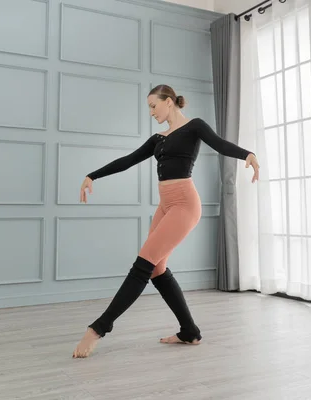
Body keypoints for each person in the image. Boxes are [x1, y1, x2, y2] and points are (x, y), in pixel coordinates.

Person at [72, 84, 260, 358]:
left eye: (153, 106)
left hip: (185, 204)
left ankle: (98, 329)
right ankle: (189, 331)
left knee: (143, 264)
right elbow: (128, 160)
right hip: (166, 205)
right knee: (157, 269)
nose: (151, 112)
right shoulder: (158, 139)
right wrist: (93, 175)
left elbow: (220, 143)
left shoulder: (194, 126)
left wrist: (248, 154)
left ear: (169, 102)